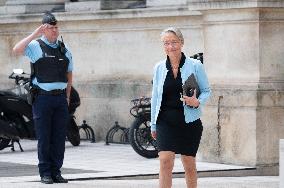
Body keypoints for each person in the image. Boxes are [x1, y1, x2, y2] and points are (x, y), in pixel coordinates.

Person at [12, 12, 72, 184]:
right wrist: (35, 33)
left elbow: (70, 74)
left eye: (55, 27)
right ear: (44, 30)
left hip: (60, 99)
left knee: (59, 138)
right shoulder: (35, 46)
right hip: (42, 99)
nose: (54, 30)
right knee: (45, 138)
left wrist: (67, 97)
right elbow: (16, 49)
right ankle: (45, 173)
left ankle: (56, 172)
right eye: (50, 28)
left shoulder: (64, 49)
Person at [150, 27, 211, 188]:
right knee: (165, 161)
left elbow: (206, 91)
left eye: (174, 42)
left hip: (189, 122)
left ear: (182, 43)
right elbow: (155, 97)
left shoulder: (195, 65)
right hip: (165, 121)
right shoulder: (159, 68)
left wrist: (197, 102)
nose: (170, 46)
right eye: (166, 43)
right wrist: (153, 124)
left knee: (189, 164)